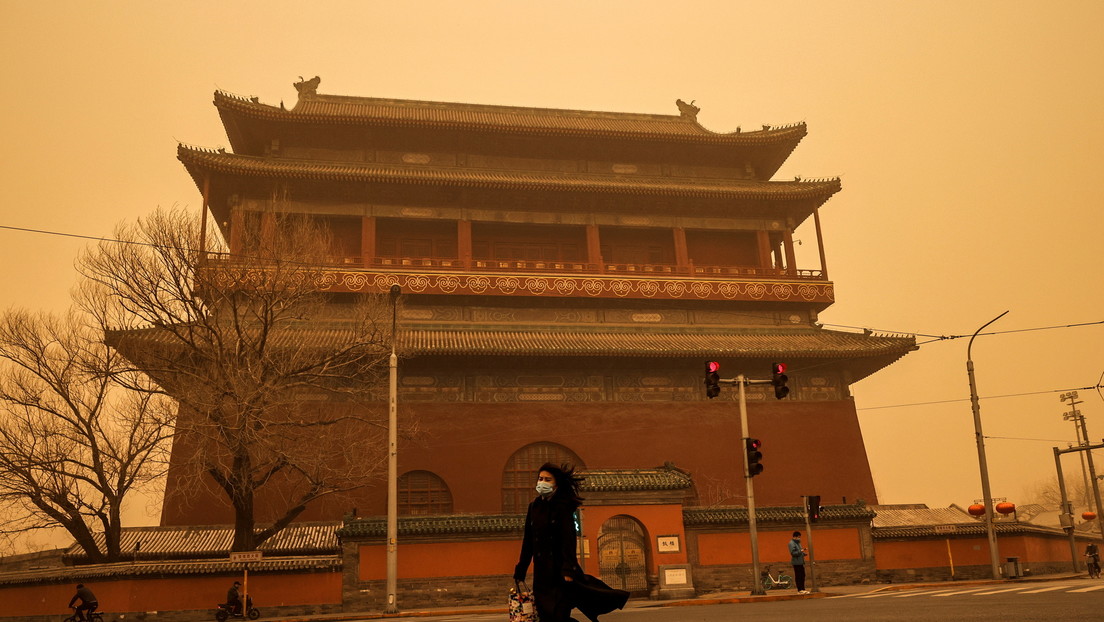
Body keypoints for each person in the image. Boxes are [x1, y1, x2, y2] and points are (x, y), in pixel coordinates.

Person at [514, 463, 628, 622]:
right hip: (541, 575)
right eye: (540, 478)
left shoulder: (563, 507)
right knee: (546, 615)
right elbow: (528, 541)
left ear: (556, 484)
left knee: (559, 614)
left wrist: (568, 569)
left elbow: (568, 539)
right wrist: (521, 569)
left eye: (547, 479)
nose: (542, 482)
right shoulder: (534, 507)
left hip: (560, 572)